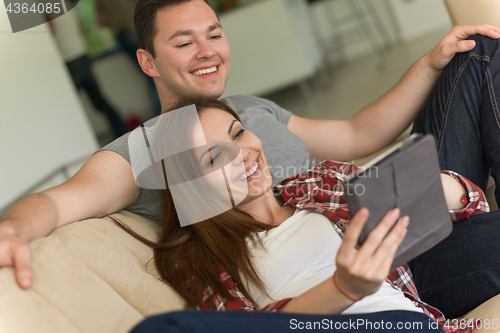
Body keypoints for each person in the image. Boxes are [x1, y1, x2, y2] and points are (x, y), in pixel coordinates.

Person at [0, 0, 499, 317]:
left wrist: (428, 64)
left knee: (474, 52)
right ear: (147, 61)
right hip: (349, 271)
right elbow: (59, 202)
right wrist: (12, 231)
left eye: (213, 33)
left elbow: (353, 134)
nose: (206, 50)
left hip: (363, 213)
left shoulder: (248, 111)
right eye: (183, 41)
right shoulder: (145, 150)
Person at [118, 98, 487, 332]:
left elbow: (474, 205)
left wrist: (434, 188)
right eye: (214, 157)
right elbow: (244, 327)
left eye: (239, 133)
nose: (244, 153)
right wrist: (343, 289)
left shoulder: (316, 183)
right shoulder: (198, 258)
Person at [48, 9, 128, 138]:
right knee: (99, 101)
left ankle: (81, 144)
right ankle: (122, 132)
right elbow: (80, 29)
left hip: (68, 60)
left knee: (71, 108)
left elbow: (50, 33)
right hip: (82, 54)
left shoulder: (45, 10)